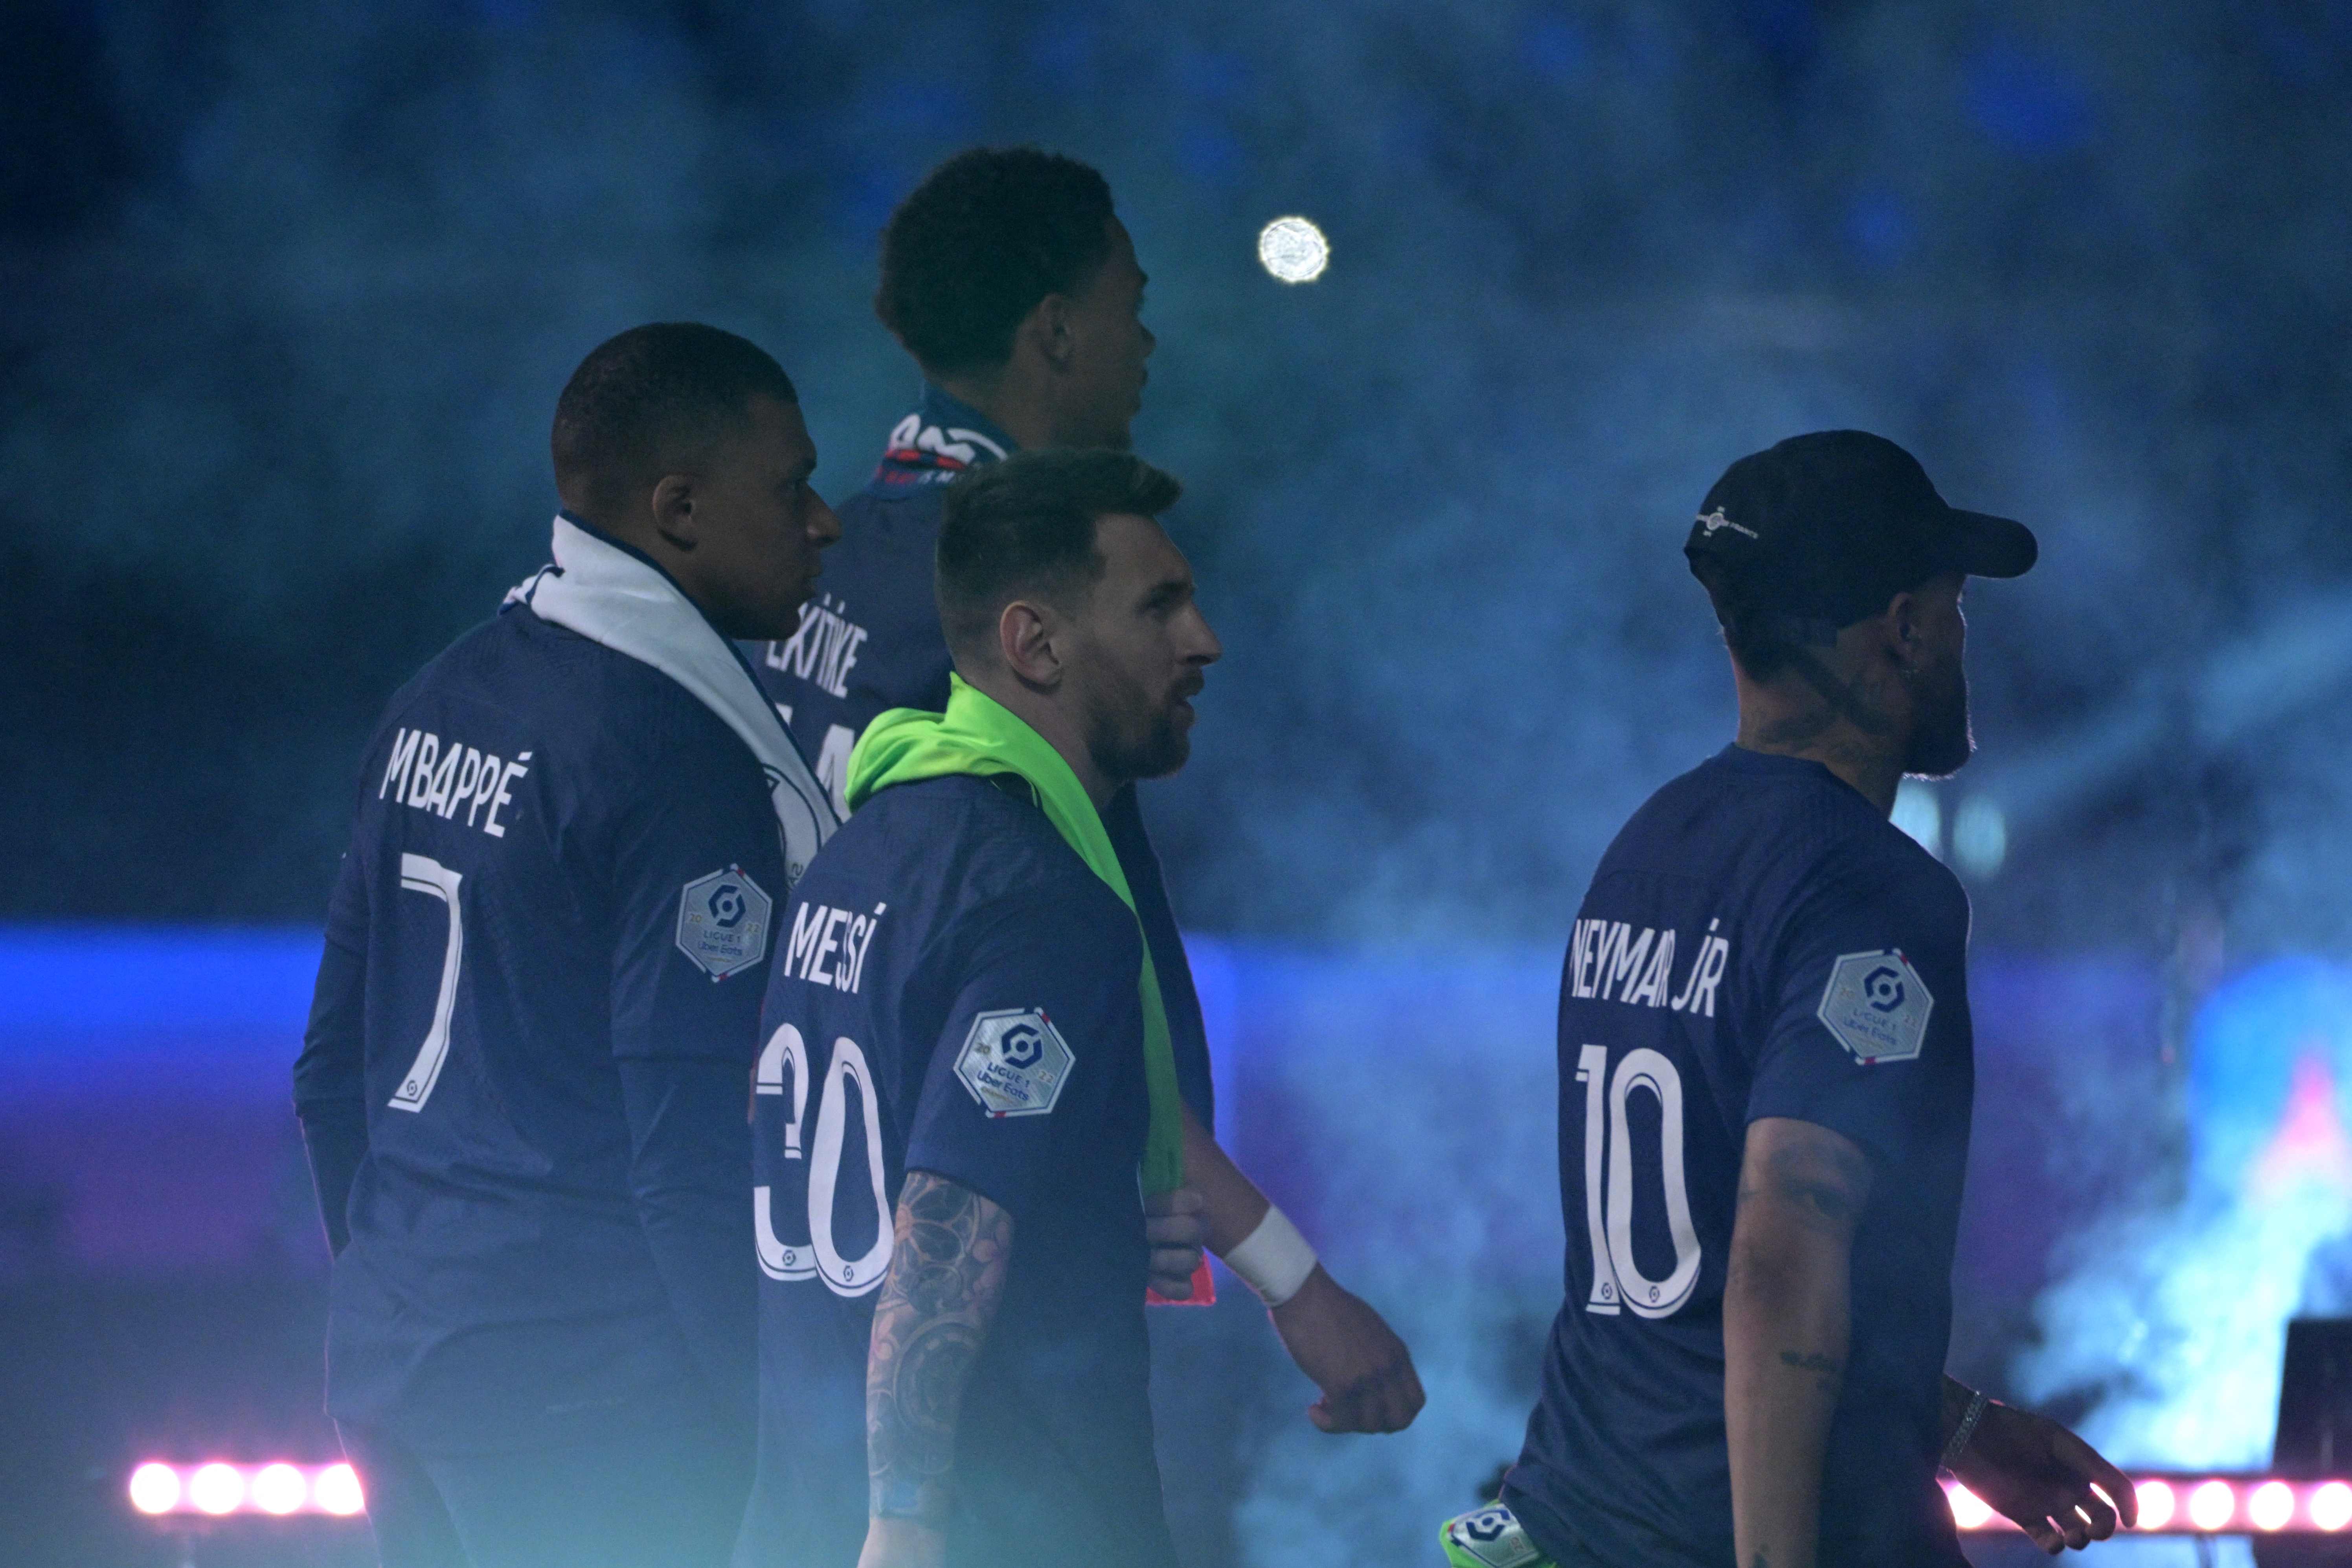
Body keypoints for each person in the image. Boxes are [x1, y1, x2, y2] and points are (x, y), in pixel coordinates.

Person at [1445, 432, 2135, 1568]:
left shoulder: (1650, 845)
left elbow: (1702, 1260)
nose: (1965, 638)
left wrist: (1953, 1426)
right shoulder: (1873, 889)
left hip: (1582, 1516)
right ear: (1904, 629)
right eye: (1956, 607)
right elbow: (1784, 1243)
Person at [736, 450, 1422, 1568]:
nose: (1204, 641)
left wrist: (1103, 1207)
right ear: (1035, 644)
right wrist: (906, 1526)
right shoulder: (1044, 900)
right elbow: (945, 1228)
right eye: (1159, 607)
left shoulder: (861, 849)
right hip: (1007, 1524)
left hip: (798, 1506)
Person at [293, 322, 840, 1568]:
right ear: (680, 509)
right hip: (590, 1396)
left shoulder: (441, 692)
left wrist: (407, 1288)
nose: (824, 522)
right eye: (791, 486)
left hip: (403, 1368)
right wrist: (769, 1423)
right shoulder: (682, 763)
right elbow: (684, 1143)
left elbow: (328, 1071)